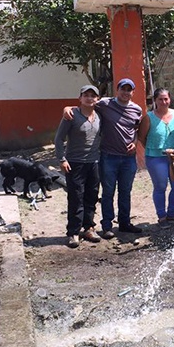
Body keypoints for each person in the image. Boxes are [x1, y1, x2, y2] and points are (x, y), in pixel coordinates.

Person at [55, 85, 103, 247]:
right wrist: (62, 159)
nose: (89, 98)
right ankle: (73, 232)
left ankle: (89, 227)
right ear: (80, 98)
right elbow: (59, 139)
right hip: (75, 163)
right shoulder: (71, 115)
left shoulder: (99, 115)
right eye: (86, 95)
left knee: (92, 196)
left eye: (93, 96)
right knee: (76, 197)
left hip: (94, 162)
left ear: (97, 99)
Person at [95, 78, 144, 238]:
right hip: (108, 156)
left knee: (125, 191)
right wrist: (68, 108)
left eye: (129, 90)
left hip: (128, 158)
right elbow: (87, 104)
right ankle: (107, 225)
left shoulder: (136, 109)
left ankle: (124, 223)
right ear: (117, 90)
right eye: (123, 89)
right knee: (108, 192)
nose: (126, 92)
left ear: (133, 92)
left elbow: (137, 130)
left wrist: (135, 143)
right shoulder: (105, 104)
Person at [137, 88, 174, 224]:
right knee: (160, 186)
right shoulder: (149, 117)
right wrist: (153, 149)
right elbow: (142, 137)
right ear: (155, 101)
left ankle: (172, 213)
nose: (164, 102)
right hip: (155, 156)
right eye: (160, 99)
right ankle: (162, 216)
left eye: (166, 99)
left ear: (170, 99)